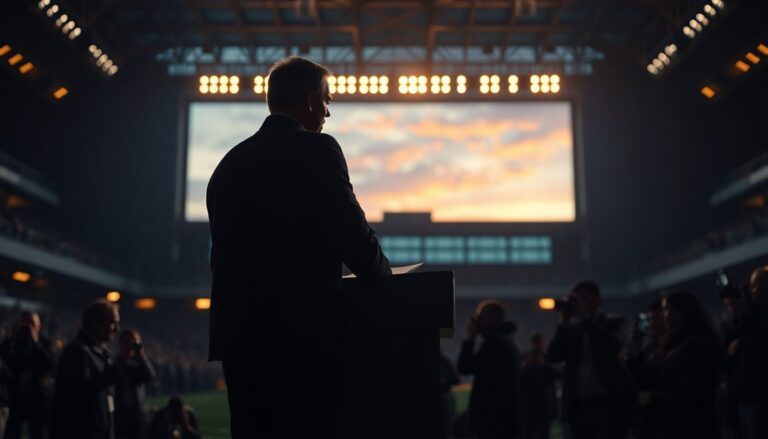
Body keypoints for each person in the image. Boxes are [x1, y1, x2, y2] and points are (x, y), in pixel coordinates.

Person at [206, 56, 391, 438]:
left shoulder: (227, 164)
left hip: (241, 343)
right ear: (309, 101)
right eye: (326, 101)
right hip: (303, 340)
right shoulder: (318, 149)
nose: (328, 112)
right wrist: (386, 280)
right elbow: (352, 235)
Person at [546, 280, 636, 439]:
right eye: (575, 299)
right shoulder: (573, 329)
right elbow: (553, 356)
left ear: (597, 301)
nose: (579, 303)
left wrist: (585, 318)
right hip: (578, 406)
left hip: (608, 405)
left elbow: (613, 347)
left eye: (584, 298)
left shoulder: (614, 322)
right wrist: (563, 323)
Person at [640, 290, 721, 439]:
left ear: (681, 313)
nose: (664, 315)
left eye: (667, 310)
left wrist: (653, 398)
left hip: (690, 428)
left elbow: (691, 395)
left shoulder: (695, 346)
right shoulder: (675, 345)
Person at [50, 299, 120, 439]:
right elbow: (83, 392)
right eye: (112, 322)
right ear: (95, 322)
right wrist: (117, 366)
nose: (116, 328)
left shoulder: (103, 352)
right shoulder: (76, 351)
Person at [457, 300, 520, 439]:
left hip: (493, 419)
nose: (478, 320)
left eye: (481, 316)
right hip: (502, 418)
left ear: (493, 318)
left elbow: (464, 366)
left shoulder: (495, 344)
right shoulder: (504, 341)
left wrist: (470, 339)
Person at [0, 311, 56, 439]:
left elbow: (50, 364)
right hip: (15, 399)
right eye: (25, 323)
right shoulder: (12, 342)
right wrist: (12, 338)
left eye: (31, 323)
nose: (27, 326)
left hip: (37, 400)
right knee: (11, 433)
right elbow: (3, 362)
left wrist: (35, 343)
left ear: (39, 326)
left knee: (38, 434)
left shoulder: (44, 343)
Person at [731, 266, 768, 439]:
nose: (751, 291)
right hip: (749, 399)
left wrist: (745, 313)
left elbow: (757, 346)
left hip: (761, 398)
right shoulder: (756, 316)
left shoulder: (757, 320)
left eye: (754, 286)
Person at [624, 300, 665, 439]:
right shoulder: (649, 348)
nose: (653, 324)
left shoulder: (676, 346)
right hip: (648, 413)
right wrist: (635, 351)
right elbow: (638, 380)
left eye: (656, 319)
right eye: (650, 319)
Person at [114, 329, 157, 439]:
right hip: (120, 418)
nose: (132, 346)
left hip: (138, 417)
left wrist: (141, 356)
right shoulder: (114, 363)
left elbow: (150, 376)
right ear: (121, 343)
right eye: (129, 342)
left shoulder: (137, 364)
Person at [518, 333, 559, 439]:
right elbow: (520, 379)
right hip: (530, 405)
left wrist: (544, 364)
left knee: (544, 433)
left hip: (544, 405)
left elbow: (558, 373)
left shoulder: (549, 358)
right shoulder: (526, 358)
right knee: (530, 433)